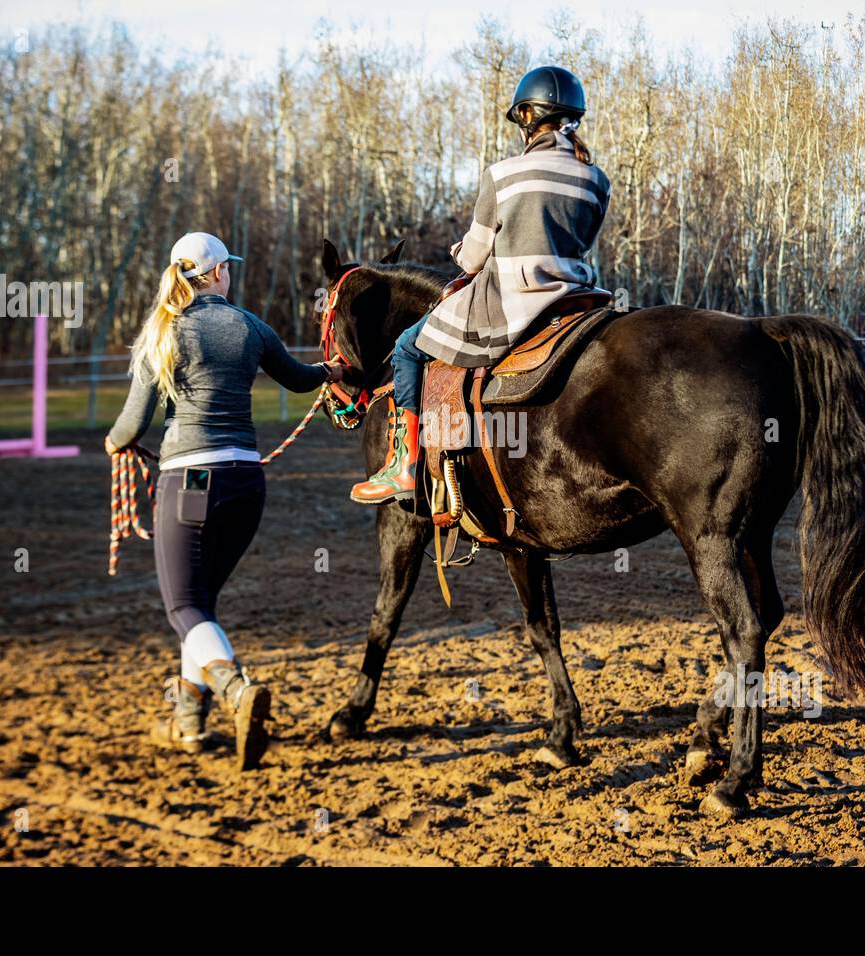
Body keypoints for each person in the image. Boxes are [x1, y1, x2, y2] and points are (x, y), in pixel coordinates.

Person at [105, 232, 344, 770]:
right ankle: (188, 724)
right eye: (228, 268)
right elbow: (301, 379)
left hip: (189, 485)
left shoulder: (163, 332)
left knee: (183, 607)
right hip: (245, 485)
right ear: (217, 274)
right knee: (201, 606)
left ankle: (236, 692)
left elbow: (132, 423)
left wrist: (113, 442)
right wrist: (328, 372)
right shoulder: (249, 326)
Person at [350, 65, 611, 505]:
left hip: (509, 299)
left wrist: (458, 253)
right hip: (574, 298)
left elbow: (474, 258)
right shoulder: (596, 179)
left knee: (407, 348)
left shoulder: (503, 174)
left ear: (527, 116)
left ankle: (405, 463)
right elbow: (579, 243)